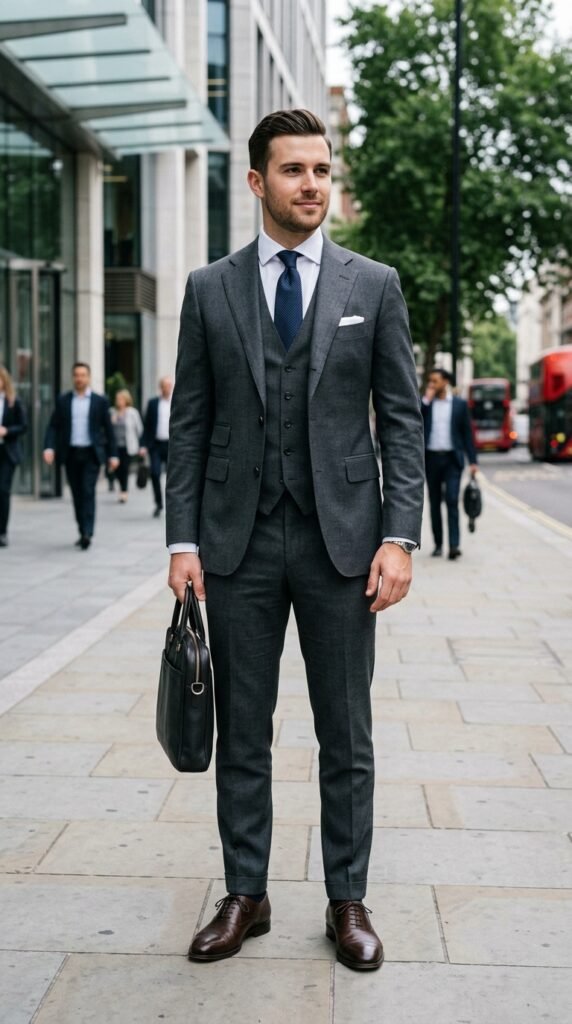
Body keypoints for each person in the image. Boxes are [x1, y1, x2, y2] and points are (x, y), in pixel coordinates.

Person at [166, 109, 425, 971]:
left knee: (345, 731)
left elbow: (400, 420)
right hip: (236, 543)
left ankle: (347, 899)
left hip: (342, 545)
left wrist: (400, 536)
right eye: (293, 170)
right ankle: (248, 892)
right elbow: (190, 426)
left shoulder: (373, 285)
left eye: (321, 170)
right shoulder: (210, 289)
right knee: (243, 729)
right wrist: (181, 543)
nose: (311, 184)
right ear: (256, 182)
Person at [43, 362, 118, 549]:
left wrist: (113, 455)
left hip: (91, 454)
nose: (79, 378)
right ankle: (81, 529)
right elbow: (53, 426)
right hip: (70, 453)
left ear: (88, 377)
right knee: (76, 494)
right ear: (73, 377)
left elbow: (109, 430)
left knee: (87, 491)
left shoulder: (100, 402)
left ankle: (87, 532)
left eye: (83, 375)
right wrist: (49, 448)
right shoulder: (64, 400)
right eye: (76, 375)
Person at [422, 367, 478, 560]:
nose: (431, 385)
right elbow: (415, 422)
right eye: (430, 381)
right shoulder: (427, 405)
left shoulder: (460, 405)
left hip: (452, 460)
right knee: (435, 503)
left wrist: (473, 461)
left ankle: (454, 545)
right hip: (431, 459)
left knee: (452, 500)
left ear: (445, 381)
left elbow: (467, 434)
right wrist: (426, 401)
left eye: (435, 381)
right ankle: (438, 544)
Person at [0, 365, 27, 548]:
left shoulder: (13, 401)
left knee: (3, 491)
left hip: (7, 453)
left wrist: (7, 430)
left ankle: (2, 531)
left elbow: (23, 426)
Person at [141, 377, 172, 517]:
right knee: (154, 473)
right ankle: (159, 503)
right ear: (161, 387)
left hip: (172, 445)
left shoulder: (177, 402)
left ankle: (172, 504)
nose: (167, 388)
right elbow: (147, 426)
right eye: (164, 386)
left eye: (169, 386)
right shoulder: (153, 403)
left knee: (173, 477)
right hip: (156, 445)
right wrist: (143, 445)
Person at [110, 389, 144, 503]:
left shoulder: (132, 412)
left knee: (124, 468)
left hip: (128, 446)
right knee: (117, 470)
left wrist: (141, 446)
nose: (119, 401)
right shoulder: (112, 412)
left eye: (121, 399)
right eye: (117, 399)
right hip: (115, 446)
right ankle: (121, 488)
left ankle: (124, 492)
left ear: (126, 400)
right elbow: (108, 430)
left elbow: (139, 429)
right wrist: (112, 421)